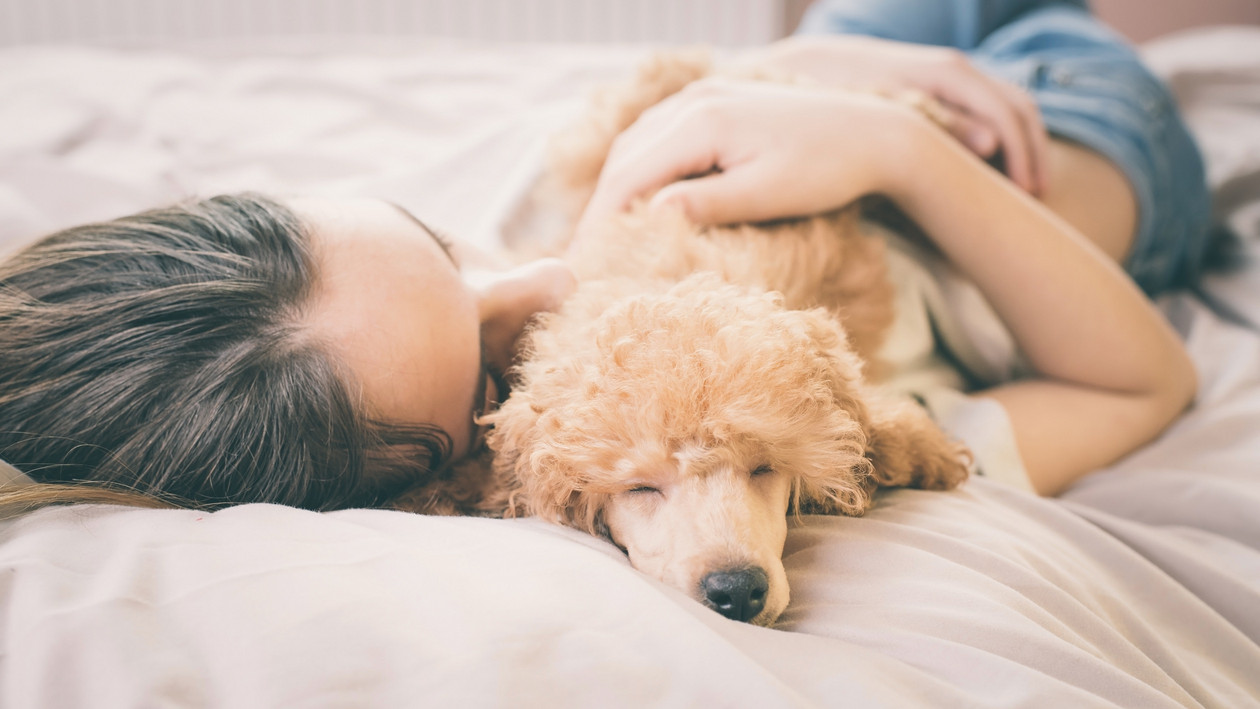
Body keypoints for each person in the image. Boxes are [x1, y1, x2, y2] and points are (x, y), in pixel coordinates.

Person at [0, 0, 1209, 512]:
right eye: (490, 365)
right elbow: (1141, 382)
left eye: (443, 245)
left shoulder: (372, 329)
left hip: (847, 53)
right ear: (445, 477)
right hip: (1061, 136)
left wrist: (810, 77)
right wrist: (894, 147)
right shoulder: (743, 423)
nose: (541, 282)